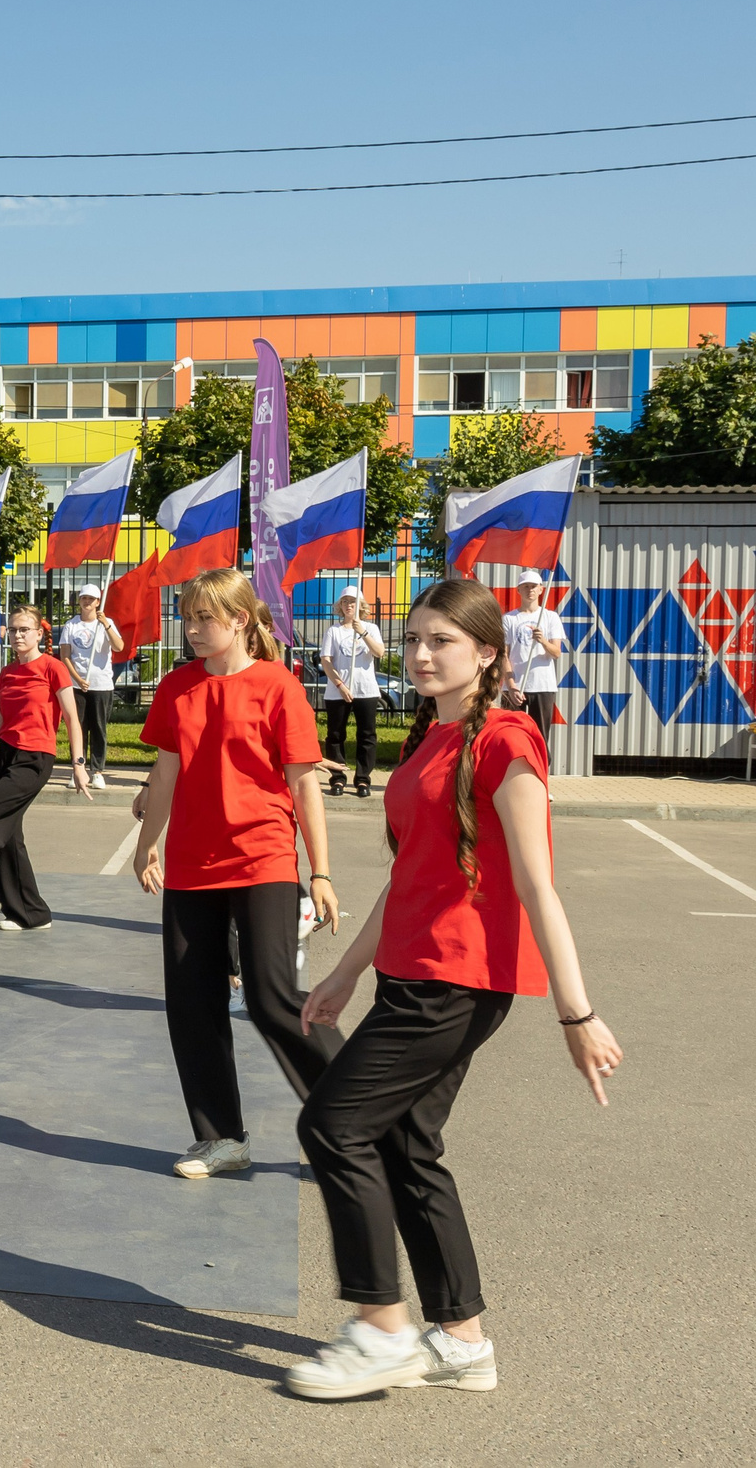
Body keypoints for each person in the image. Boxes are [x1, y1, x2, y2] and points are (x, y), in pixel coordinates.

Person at [282, 576, 621, 1401]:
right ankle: (463, 1340)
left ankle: (380, 1326)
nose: (423, 653)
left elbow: (540, 886)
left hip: (456, 983)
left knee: (332, 1124)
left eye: (443, 640)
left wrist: (577, 1011)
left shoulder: (509, 740)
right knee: (405, 1144)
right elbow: (410, 878)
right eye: (414, 640)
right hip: (409, 972)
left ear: (488, 655)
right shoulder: (425, 741)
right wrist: (346, 969)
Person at [131, 567, 340, 1181]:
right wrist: (148, 846)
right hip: (193, 869)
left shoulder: (279, 687)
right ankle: (221, 1138)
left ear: (241, 620)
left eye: (205, 619)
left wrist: (321, 872)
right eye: (188, 619)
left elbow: (305, 785)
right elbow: (166, 775)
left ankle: (354, 1120)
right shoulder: (177, 688)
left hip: (264, 861)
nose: (192, 630)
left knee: (273, 999)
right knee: (191, 1005)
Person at [0, 605, 92, 932]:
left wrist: (78, 765)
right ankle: (31, 914)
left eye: (25, 629)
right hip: (6, 755)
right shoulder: (8, 673)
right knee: (10, 836)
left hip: (35, 758)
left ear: (39, 634)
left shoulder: (53, 668)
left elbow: (72, 718)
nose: (18, 635)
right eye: (13, 630)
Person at [321, 586, 388, 798]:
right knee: (336, 735)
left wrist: (363, 632)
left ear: (361, 606)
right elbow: (326, 660)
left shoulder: (371, 628)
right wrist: (340, 685)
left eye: (353, 601)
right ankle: (338, 778)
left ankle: (362, 780)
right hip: (338, 692)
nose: (348, 605)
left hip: (365, 690)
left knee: (367, 736)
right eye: (345, 601)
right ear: (339, 606)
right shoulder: (334, 630)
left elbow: (379, 653)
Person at [500, 570, 566, 776]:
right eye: (526, 586)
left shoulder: (550, 617)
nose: (530, 590)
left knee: (540, 735)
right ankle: (509, 779)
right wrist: (511, 685)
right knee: (510, 735)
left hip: (542, 684)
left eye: (534, 586)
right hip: (515, 686)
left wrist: (543, 641)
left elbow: (556, 653)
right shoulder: (509, 619)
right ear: (519, 589)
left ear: (541, 590)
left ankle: (542, 781)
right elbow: (503, 654)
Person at [58, 585, 120, 786]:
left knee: (99, 728)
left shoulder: (106, 623)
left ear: (97, 602)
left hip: (101, 685)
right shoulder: (71, 625)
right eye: (84, 598)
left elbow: (119, 646)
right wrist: (77, 677)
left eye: (91, 599)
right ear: (79, 600)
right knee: (78, 727)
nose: (87, 602)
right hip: (77, 686)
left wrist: (106, 625)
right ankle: (78, 768)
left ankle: (98, 771)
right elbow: (65, 656)